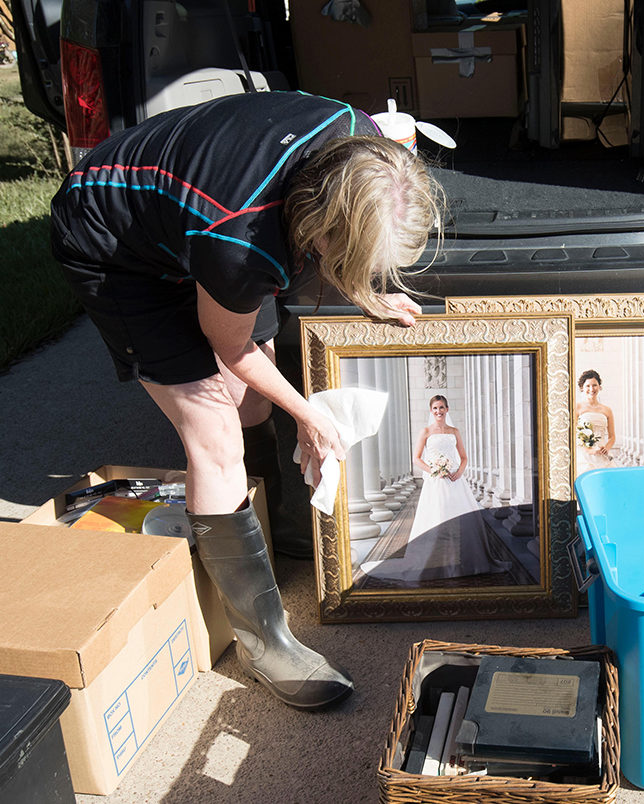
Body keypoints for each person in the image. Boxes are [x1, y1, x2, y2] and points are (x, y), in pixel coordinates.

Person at [50, 91, 442, 710]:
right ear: (318, 228)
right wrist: (309, 415)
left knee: (250, 405)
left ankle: (264, 530)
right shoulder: (244, 245)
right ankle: (265, 641)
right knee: (214, 431)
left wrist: (366, 290)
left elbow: (253, 345)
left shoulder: (362, 141)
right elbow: (230, 348)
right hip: (114, 241)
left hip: (193, 217)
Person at [359, 395, 510, 582]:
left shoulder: (454, 431)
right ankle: (436, 560)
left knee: (461, 520)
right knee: (437, 518)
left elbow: (463, 457)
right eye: (435, 409)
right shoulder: (426, 432)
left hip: (455, 481)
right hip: (436, 481)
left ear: (447, 409)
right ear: (431, 411)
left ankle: (465, 560)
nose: (438, 411)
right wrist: (435, 470)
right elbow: (417, 458)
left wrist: (459, 473)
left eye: (441, 408)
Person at [574, 370, 617, 475]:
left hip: (602, 454)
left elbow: (612, 437)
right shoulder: (577, 408)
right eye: (588, 386)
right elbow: (574, 435)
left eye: (594, 385)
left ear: (599, 387)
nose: (591, 389)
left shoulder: (607, 410)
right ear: (582, 388)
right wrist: (589, 451)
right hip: (584, 455)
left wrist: (606, 448)